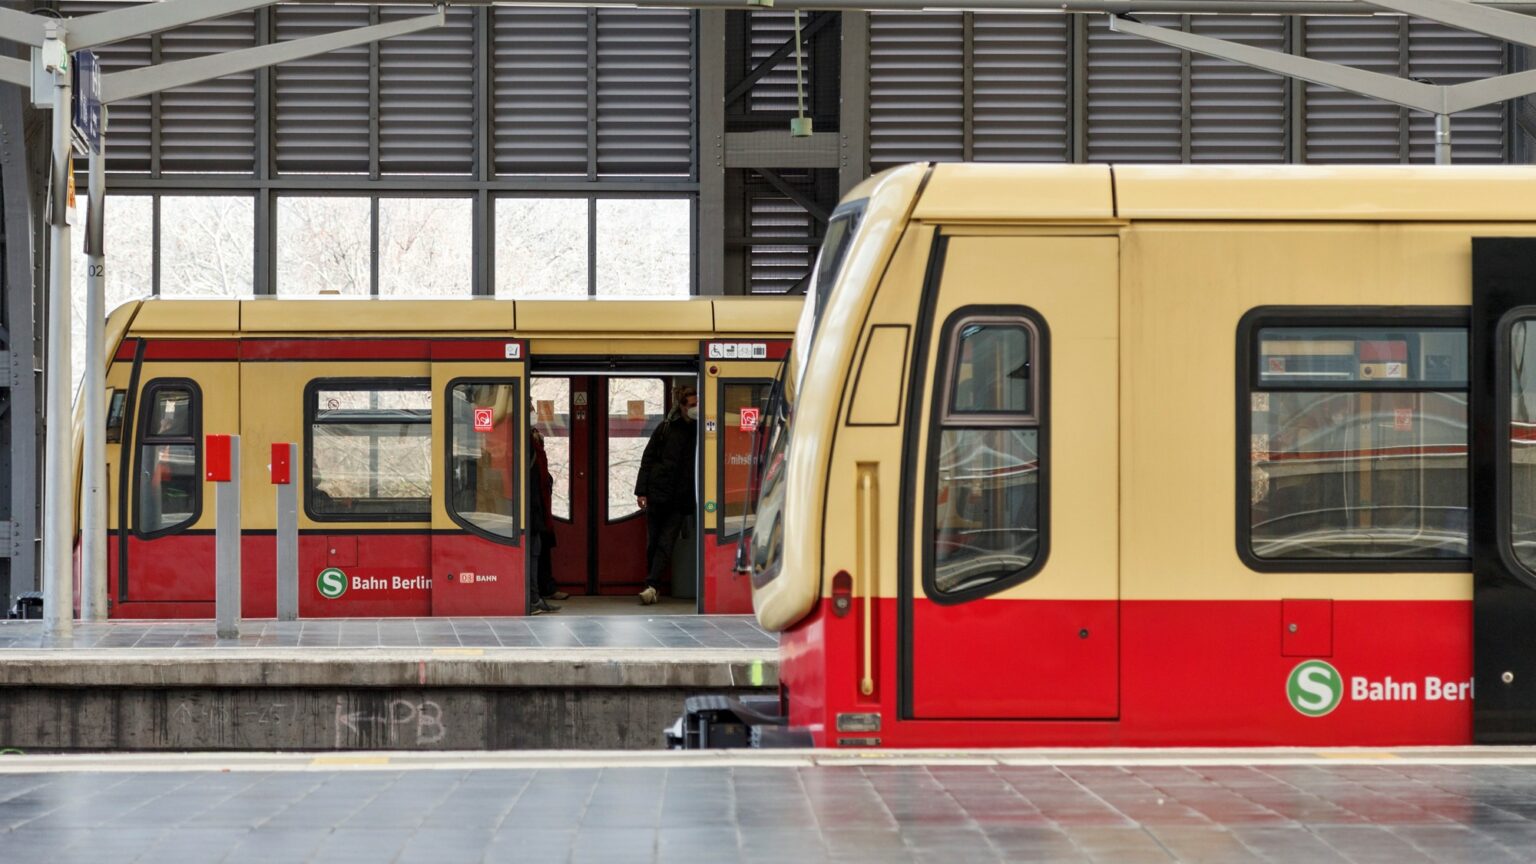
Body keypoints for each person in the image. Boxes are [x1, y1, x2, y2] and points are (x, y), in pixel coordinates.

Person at [634, 383, 698, 605]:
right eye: (692, 404)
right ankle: (653, 584)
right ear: (681, 406)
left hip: (681, 497)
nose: (695, 408)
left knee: (666, 542)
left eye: (698, 403)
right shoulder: (665, 428)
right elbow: (648, 459)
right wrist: (641, 491)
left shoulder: (702, 430)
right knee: (654, 542)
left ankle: (652, 585)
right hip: (658, 493)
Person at [528, 408, 565, 614]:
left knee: (538, 550)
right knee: (533, 552)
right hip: (533, 507)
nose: (534, 414)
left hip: (538, 506)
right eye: (531, 410)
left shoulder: (533, 438)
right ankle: (533, 598)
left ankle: (537, 595)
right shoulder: (525, 440)